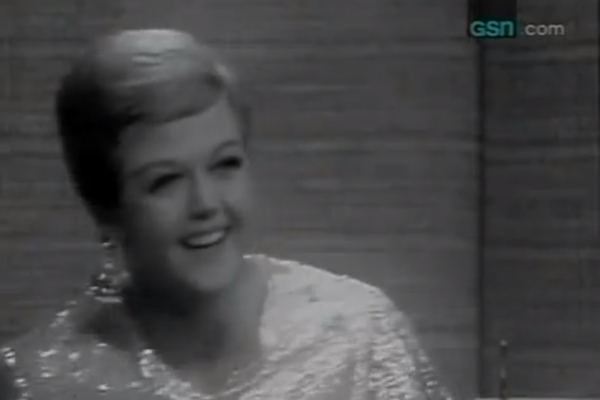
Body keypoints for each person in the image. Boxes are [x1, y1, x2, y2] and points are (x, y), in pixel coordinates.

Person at [0, 29, 454, 400]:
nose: (206, 204)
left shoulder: (358, 334)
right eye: (165, 180)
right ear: (106, 207)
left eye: (225, 165)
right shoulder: (39, 382)